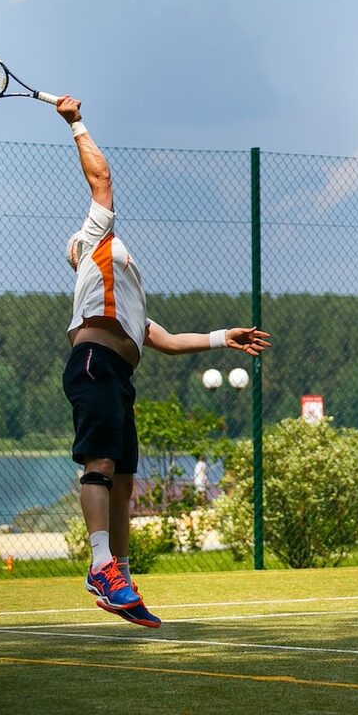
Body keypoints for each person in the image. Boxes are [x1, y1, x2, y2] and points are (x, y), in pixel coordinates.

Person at [56, 96, 271, 627]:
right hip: (93, 366)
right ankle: (100, 565)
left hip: (117, 375)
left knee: (124, 477)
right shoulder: (97, 242)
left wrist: (226, 336)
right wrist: (75, 122)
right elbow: (101, 179)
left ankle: (120, 579)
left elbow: (167, 339)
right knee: (100, 466)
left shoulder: (124, 297)